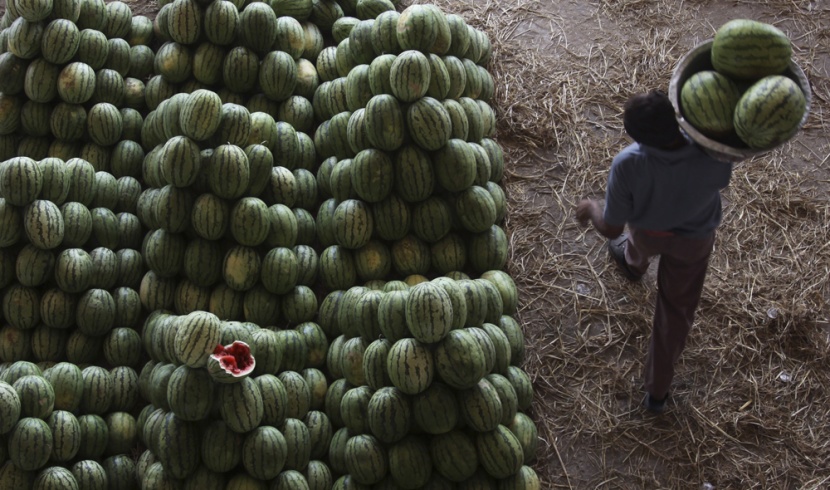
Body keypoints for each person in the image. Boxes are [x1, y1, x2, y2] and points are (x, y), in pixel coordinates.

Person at [575, 90, 733, 414]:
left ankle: (634, 264)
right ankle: (657, 392)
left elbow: (612, 228)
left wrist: (592, 208)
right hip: (693, 241)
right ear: (676, 119)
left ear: (637, 136)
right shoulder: (712, 151)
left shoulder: (628, 164)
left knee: (635, 240)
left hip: (649, 234)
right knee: (674, 314)